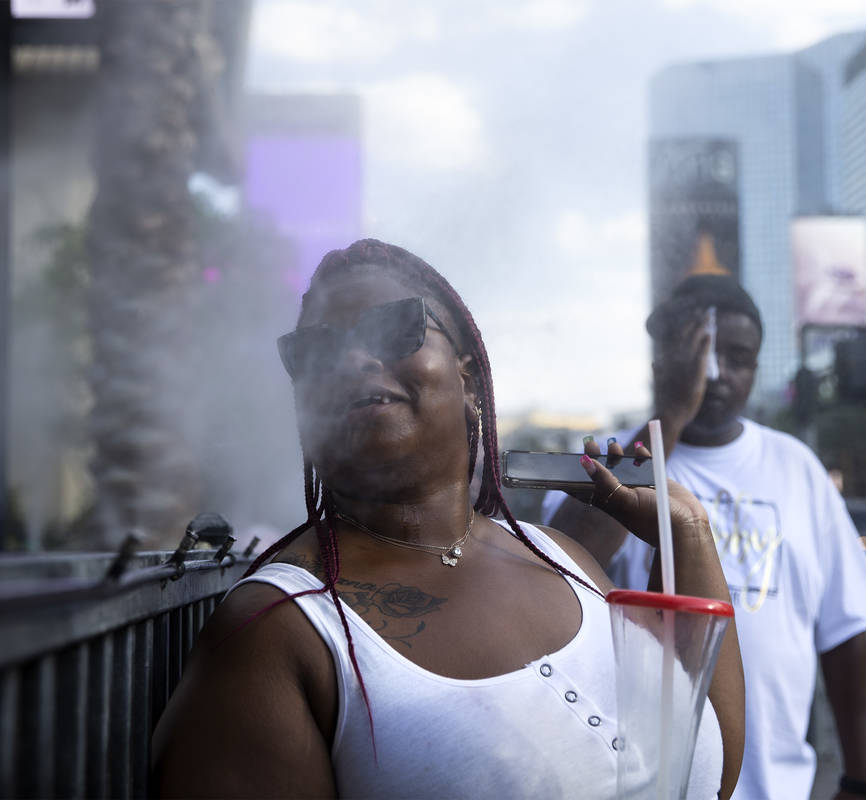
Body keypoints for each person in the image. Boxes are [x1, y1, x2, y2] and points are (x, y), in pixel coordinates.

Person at [150, 239, 745, 798]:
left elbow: (703, 774)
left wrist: (688, 532)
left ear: (465, 376)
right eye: (317, 351)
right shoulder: (278, 632)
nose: (353, 359)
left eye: (390, 328)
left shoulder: (563, 559)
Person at [545, 274, 866, 800]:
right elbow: (557, 571)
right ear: (663, 359)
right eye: (702, 355)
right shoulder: (615, 462)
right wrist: (670, 415)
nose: (719, 374)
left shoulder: (795, 467)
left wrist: (863, 781)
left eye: (739, 357)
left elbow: (844, 633)